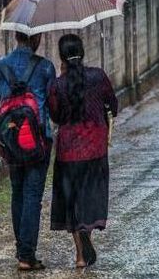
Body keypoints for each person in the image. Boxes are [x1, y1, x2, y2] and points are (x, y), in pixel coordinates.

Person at [0, 32, 56, 271]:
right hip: (39, 142)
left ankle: (22, 250)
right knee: (33, 195)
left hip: (10, 141)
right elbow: (53, 108)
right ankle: (26, 255)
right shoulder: (45, 68)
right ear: (37, 37)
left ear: (15, 35)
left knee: (17, 192)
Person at [47, 34, 118, 268]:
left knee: (72, 202)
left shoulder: (58, 85)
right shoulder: (98, 76)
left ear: (62, 57)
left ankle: (79, 255)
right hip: (96, 148)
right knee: (89, 198)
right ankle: (87, 229)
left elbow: (55, 116)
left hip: (69, 152)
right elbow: (113, 105)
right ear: (83, 52)